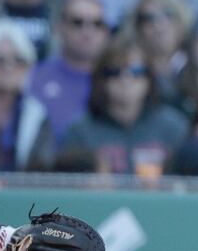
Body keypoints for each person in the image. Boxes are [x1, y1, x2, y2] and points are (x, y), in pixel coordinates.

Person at [60, 37, 188, 176]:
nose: (125, 80)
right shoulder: (80, 132)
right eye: (115, 72)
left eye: (136, 71)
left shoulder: (174, 127)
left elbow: (187, 184)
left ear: (149, 79)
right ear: (101, 80)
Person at [27, 0, 110, 146]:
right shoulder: (34, 77)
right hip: (46, 167)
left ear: (106, 31)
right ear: (59, 27)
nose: (88, 31)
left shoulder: (121, 77)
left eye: (97, 23)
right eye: (78, 22)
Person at [0, 18, 52, 171]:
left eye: (18, 60)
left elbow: (42, 168)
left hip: (22, 192)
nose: (8, 67)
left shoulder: (37, 114)